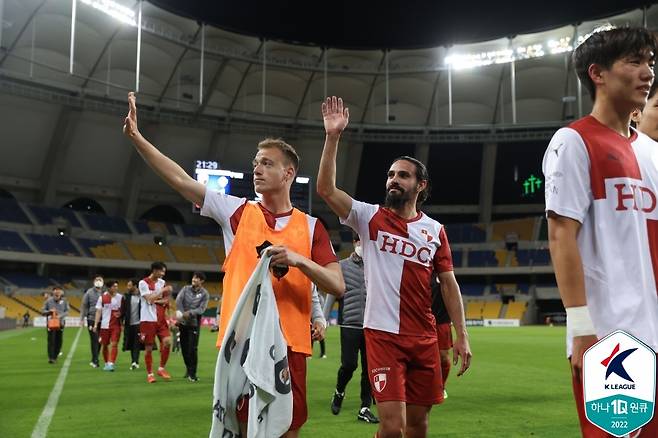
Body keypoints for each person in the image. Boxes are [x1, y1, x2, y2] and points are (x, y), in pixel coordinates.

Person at [123, 91, 344, 437]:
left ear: (288, 173)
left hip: (290, 347)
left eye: (266, 163)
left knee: (287, 430)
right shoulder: (237, 212)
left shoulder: (313, 227)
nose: (256, 168)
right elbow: (181, 181)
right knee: (241, 430)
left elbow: (337, 284)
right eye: (255, 162)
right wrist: (138, 139)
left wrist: (300, 261)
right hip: (243, 343)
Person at [317, 96, 472, 438]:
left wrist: (462, 335)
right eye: (390, 175)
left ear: (421, 185)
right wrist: (333, 137)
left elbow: (449, 284)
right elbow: (326, 189)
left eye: (403, 175)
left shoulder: (434, 231)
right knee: (392, 427)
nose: (393, 180)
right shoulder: (369, 217)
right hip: (383, 334)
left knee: (418, 425)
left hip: (424, 337)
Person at [543, 27, 658, 437]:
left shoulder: (652, 153)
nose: (647, 72)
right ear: (598, 74)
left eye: (650, 62)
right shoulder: (573, 142)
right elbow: (561, 236)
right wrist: (580, 328)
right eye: (635, 61)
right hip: (614, 341)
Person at [325, 233, 380, 424]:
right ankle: (339, 391)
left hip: (371, 326)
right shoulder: (342, 266)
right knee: (349, 365)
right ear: (355, 242)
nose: (362, 245)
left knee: (369, 369)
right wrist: (323, 319)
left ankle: (364, 408)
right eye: (360, 241)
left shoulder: (376, 267)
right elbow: (333, 292)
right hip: (349, 324)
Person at [138, 261, 174, 383]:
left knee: (168, 342)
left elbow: (166, 300)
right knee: (148, 348)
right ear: (154, 270)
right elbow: (149, 299)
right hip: (148, 319)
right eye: (161, 271)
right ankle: (150, 374)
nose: (163, 274)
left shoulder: (162, 282)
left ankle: (161, 368)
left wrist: (162, 299)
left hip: (161, 319)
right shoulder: (143, 283)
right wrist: (161, 291)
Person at [176, 272, 209, 382]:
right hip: (183, 323)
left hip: (194, 324)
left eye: (197, 278)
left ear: (201, 281)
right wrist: (181, 313)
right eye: (194, 277)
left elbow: (201, 309)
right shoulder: (185, 289)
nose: (194, 279)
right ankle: (188, 369)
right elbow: (178, 300)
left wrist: (189, 313)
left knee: (192, 349)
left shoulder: (205, 294)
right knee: (184, 349)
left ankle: (193, 374)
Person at [92, 280, 123, 372]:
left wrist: (120, 315)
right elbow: (98, 311)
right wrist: (95, 324)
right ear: (109, 287)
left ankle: (111, 363)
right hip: (104, 326)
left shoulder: (120, 297)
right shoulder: (102, 298)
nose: (116, 288)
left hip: (116, 326)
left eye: (117, 286)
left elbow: (124, 311)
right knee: (105, 345)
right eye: (114, 286)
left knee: (114, 344)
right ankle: (106, 363)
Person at [430, 275, 453, 400]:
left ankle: (441, 387)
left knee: (443, 357)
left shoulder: (447, 275)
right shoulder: (423, 271)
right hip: (423, 320)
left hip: (442, 322)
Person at [80, 275, 104, 368]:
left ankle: (95, 358)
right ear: (94, 281)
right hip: (91, 319)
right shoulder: (89, 292)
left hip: (102, 320)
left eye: (100, 280)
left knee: (100, 341)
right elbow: (84, 306)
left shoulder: (105, 293)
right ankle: (95, 360)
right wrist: (82, 319)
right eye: (97, 280)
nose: (98, 281)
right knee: (94, 339)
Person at [41, 286, 69, 364]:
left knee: (59, 341)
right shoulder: (48, 301)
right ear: (53, 293)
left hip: (61, 323)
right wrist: (49, 311)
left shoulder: (65, 301)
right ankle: (51, 357)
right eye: (56, 292)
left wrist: (59, 316)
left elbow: (67, 312)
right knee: (51, 340)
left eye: (59, 292)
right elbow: (42, 311)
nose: (57, 294)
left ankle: (55, 356)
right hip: (51, 324)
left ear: (61, 293)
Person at [121, 279, 142, 370]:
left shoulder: (142, 296)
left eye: (129, 285)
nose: (128, 287)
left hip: (139, 324)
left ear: (135, 286)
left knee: (137, 344)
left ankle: (135, 361)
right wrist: (121, 322)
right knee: (130, 343)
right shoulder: (126, 297)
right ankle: (133, 360)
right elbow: (122, 310)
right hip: (129, 324)